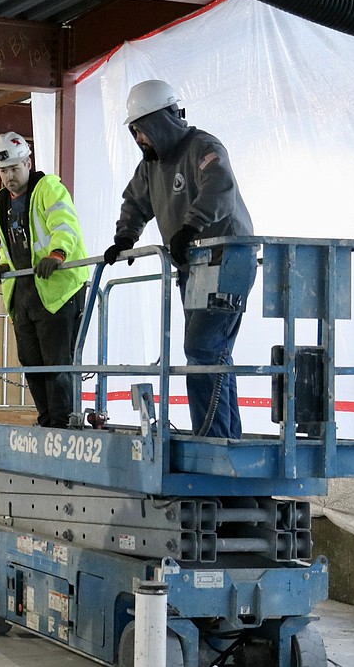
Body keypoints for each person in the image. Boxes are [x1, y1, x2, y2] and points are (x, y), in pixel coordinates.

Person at [103, 79, 257, 439]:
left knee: (203, 348)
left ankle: (213, 437)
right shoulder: (151, 166)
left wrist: (190, 227)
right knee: (211, 353)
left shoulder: (203, 147)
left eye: (142, 131)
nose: (140, 139)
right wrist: (126, 235)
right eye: (135, 132)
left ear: (160, 122)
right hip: (195, 265)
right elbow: (136, 201)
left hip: (227, 256)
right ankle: (223, 435)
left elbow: (219, 187)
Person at [0, 131, 90, 429]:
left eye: (14, 169)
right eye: (3, 171)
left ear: (28, 163)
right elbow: (10, 243)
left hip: (58, 289)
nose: (9, 176)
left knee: (56, 363)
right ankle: (48, 422)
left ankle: (62, 424)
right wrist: (3, 265)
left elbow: (65, 224)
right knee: (31, 362)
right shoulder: (1, 201)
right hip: (24, 292)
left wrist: (57, 253)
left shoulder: (48, 188)